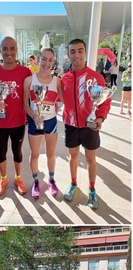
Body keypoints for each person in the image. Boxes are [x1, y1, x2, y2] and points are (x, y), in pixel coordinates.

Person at [61, 39, 112, 209]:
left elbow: (105, 101)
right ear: (68, 55)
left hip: (89, 126)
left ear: (85, 52)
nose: (76, 55)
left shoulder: (96, 77)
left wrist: (100, 118)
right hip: (70, 125)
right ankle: (73, 184)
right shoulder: (64, 79)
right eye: (73, 51)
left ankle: (92, 190)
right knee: (73, 157)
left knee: (91, 160)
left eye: (80, 50)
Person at [0, 37, 33, 196]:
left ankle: (18, 178)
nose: (8, 52)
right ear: (0, 50)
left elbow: (32, 95)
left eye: (12, 48)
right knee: (1, 153)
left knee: (17, 151)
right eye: (5, 48)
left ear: (16, 49)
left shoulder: (26, 72)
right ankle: (3, 179)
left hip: (18, 121)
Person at [22, 48, 63, 199]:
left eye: (50, 60)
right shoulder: (29, 80)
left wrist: (57, 106)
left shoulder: (57, 81)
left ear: (53, 62)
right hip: (35, 122)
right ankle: (35, 182)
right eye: (44, 59)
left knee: (51, 154)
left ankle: (51, 180)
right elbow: (25, 104)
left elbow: (62, 99)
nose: (47, 63)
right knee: (34, 155)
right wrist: (34, 116)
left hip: (51, 122)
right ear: (38, 59)